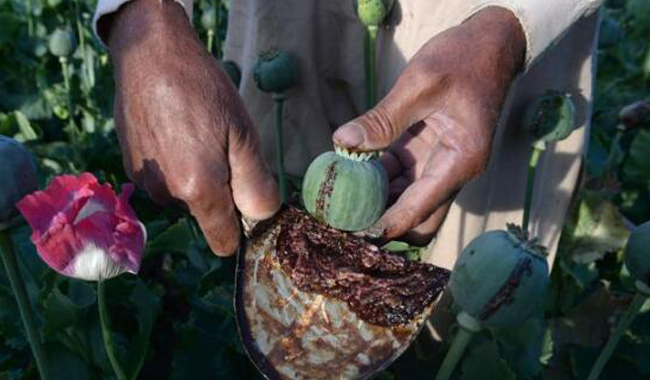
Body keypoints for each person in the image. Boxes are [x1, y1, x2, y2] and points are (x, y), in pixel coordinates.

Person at [93, 0, 602, 269]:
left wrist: (513, 26)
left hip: (488, 18)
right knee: (266, 207)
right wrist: (143, 16)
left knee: (458, 270)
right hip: (291, 11)